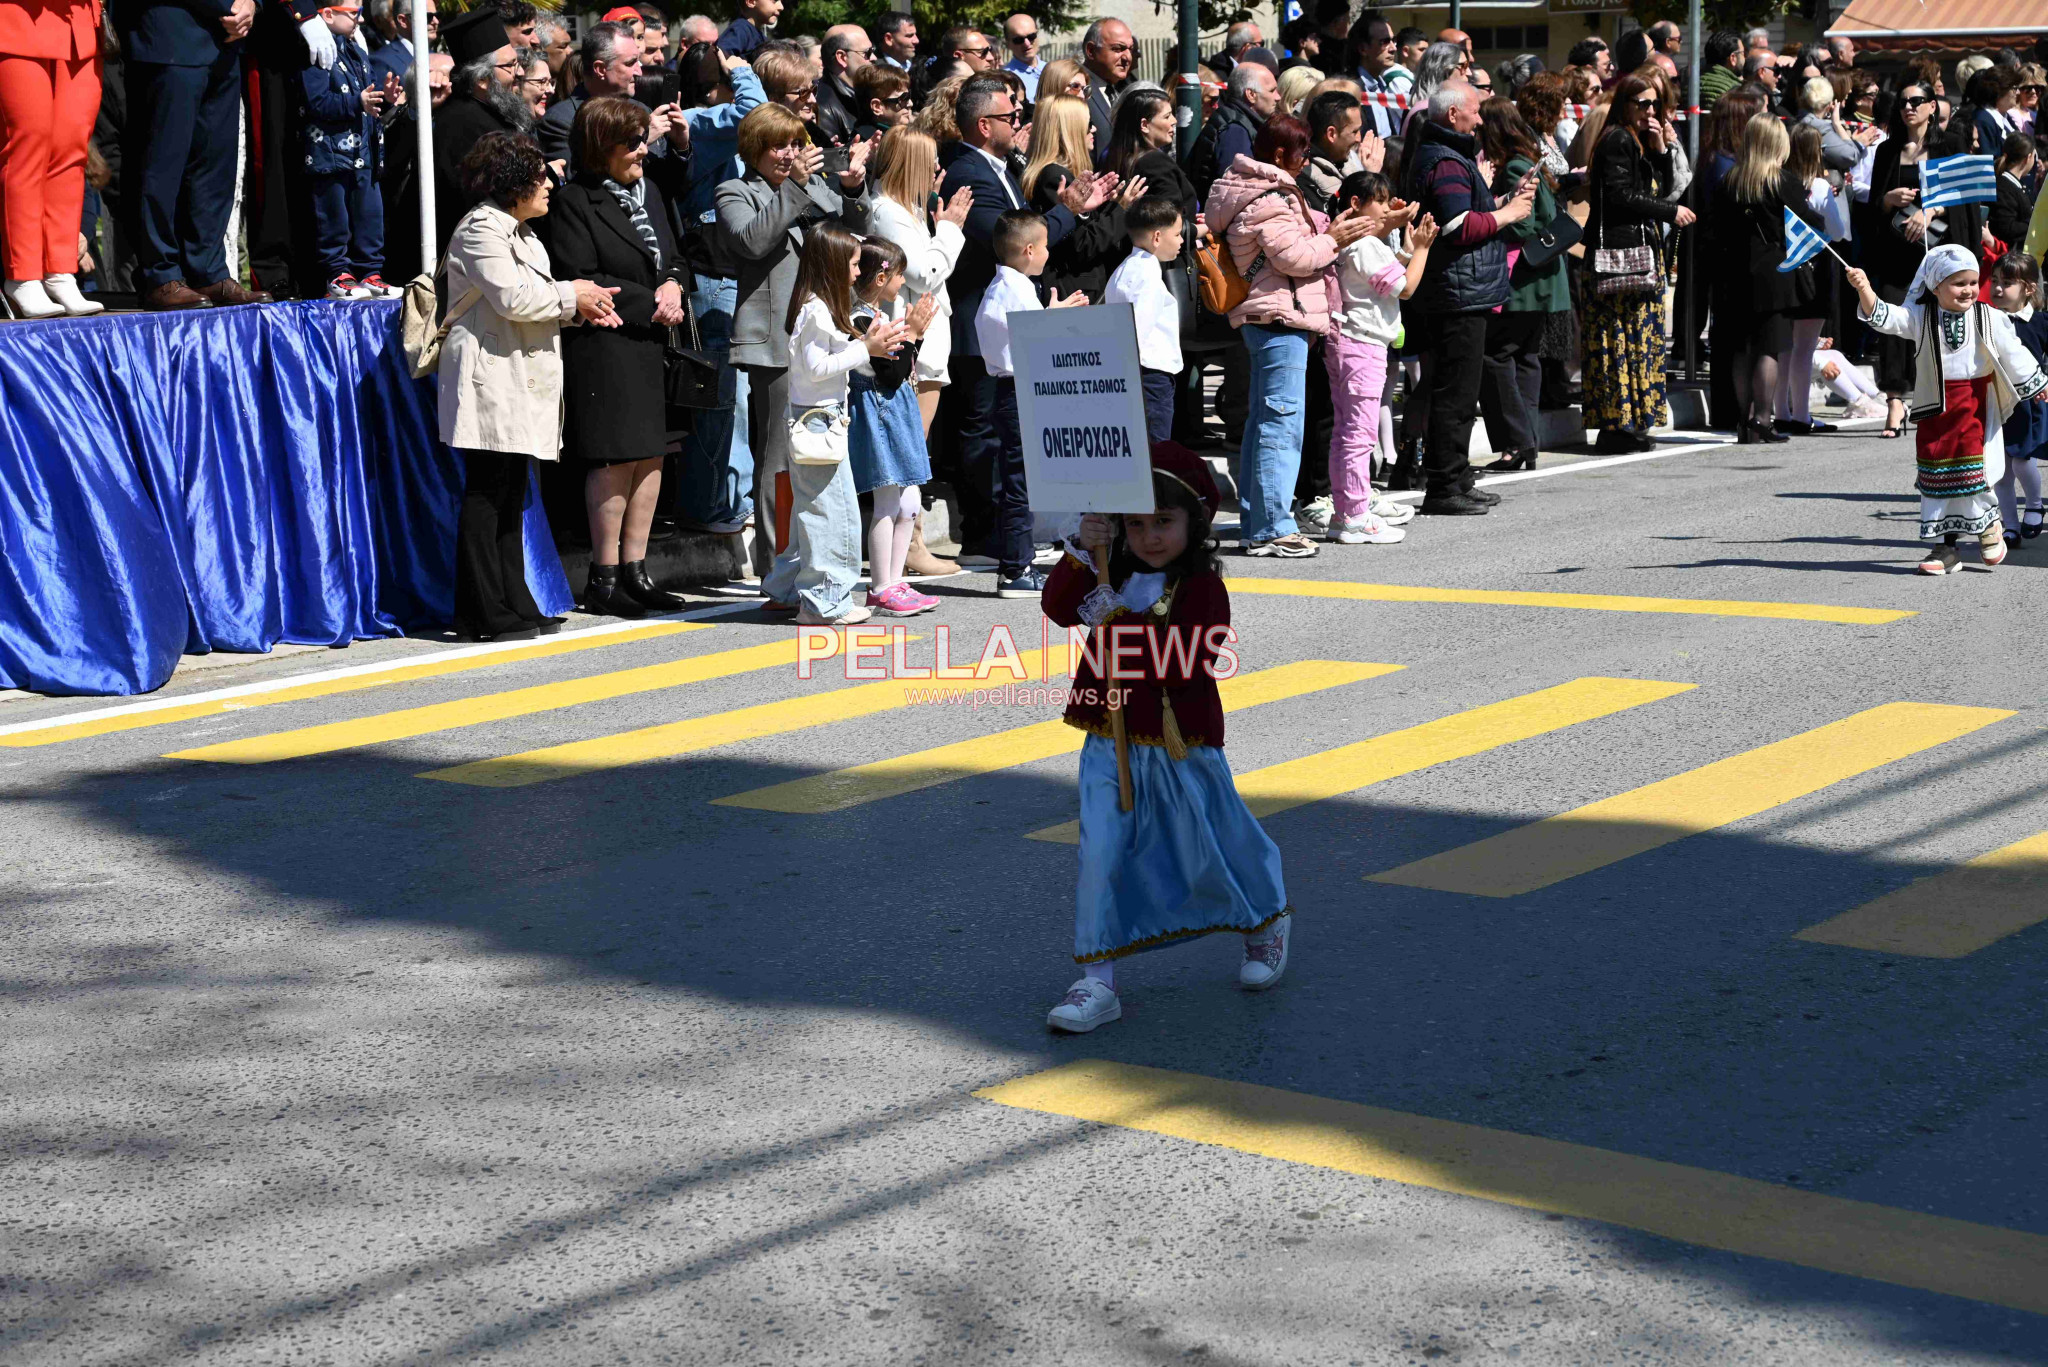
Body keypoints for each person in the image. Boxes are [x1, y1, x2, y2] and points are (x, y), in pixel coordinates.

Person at [1039, 444, 1295, 1033]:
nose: (1150, 535)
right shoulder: (1112, 572)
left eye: (1164, 521)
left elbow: (1185, 665)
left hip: (1181, 743)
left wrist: (1116, 624)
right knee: (1100, 852)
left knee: (1214, 841)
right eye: (1136, 523)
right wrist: (1083, 547)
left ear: (1193, 523)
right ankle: (1096, 981)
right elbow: (1058, 607)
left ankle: (1265, 923)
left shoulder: (1203, 588)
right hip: (1110, 739)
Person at [439, 132, 620, 640]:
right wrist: (572, 295)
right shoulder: (480, 229)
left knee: (510, 490)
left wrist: (582, 307)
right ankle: (482, 610)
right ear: (513, 181)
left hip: (515, 372)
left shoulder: (520, 232)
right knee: (486, 492)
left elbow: (538, 301)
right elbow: (515, 298)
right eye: (540, 176)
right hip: (488, 374)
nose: (550, 185)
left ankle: (512, 599)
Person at [941, 73, 1102, 594]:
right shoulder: (968, 171)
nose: (1019, 123)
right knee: (992, 448)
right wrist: (1067, 213)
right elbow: (1005, 238)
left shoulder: (1000, 166)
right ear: (984, 124)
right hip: (984, 336)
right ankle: (996, 545)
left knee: (1011, 460)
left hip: (1008, 342)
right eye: (1010, 116)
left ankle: (1008, 547)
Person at [547, 95, 696, 619]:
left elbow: (673, 256)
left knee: (651, 454)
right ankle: (604, 575)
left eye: (642, 140)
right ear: (599, 147)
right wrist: (651, 303)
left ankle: (637, 569)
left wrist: (674, 287)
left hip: (652, 342)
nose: (641, 150)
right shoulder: (573, 202)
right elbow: (580, 272)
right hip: (606, 344)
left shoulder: (650, 189)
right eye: (630, 143)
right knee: (614, 457)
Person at [1206, 114, 1375, 554]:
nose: (1306, 160)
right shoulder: (1268, 198)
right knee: (1279, 427)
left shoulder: (1248, 188)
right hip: (1279, 319)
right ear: (1280, 154)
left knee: (1264, 425)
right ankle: (1271, 529)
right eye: (1302, 152)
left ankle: (1258, 523)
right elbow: (1297, 258)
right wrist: (1335, 238)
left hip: (1267, 318)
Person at [716, 103, 871, 578]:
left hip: (823, 334)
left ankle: (813, 560)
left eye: (795, 144)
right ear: (756, 149)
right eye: (779, 145)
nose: (790, 154)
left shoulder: (810, 185)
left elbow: (851, 233)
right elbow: (753, 242)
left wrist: (852, 189)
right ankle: (775, 569)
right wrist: (795, 188)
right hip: (774, 343)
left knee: (821, 450)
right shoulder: (734, 191)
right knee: (780, 456)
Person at [1848, 246, 2048, 573]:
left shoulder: (1989, 317)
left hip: (1975, 408)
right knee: (1938, 478)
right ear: (1936, 286)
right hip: (1935, 410)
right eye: (1958, 283)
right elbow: (1886, 318)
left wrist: (2037, 385)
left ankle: (1987, 528)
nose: (1968, 290)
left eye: (1972, 282)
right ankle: (1946, 550)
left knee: (1973, 474)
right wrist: (1864, 289)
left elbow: (2015, 353)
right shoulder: (1921, 317)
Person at [1399, 81, 1538, 507]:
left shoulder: (1448, 155)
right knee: (1454, 393)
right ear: (1453, 114)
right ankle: (1444, 484)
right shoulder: (1445, 161)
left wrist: (1502, 201)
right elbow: (1457, 226)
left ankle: (1456, 479)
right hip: (1455, 293)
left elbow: (1466, 212)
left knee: (1459, 391)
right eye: (1474, 111)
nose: (1480, 119)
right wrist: (1509, 213)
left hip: (1462, 290)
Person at [763, 223, 905, 625]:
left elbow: (834, 360)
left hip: (823, 422)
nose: (858, 272)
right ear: (832, 264)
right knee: (833, 516)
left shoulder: (821, 306)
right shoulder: (815, 309)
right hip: (817, 424)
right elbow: (817, 367)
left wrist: (873, 344)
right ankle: (824, 604)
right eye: (854, 263)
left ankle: (785, 590)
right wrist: (865, 346)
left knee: (814, 513)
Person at [115, 0, 275, 310]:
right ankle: (161, 274)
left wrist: (251, 3)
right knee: (163, 164)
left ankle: (208, 270)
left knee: (216, 165)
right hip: (171, 29)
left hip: (224, 42)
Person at [866, 126, 968, 575]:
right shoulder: (887, 212)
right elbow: (924, 274)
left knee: (916, 446)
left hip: (925, 341)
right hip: (910, 344)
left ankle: (912, 541)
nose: (936, 170)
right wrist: (948, 231)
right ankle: (910, 547)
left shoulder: (906, 209)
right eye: (928, 162)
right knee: (911, 448)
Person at [672, 41, 762, 538]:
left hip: (729, 270)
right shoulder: (700, 120)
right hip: (711, 275)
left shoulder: (707, 123)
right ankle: (712, 505)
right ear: (716, 91)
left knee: (737, 397)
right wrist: (744, 71)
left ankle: (733, 499)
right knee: (719, 396)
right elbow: (754, 112)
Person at [973, 209, 1087, 597]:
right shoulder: (1013, 288)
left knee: (1022, 479)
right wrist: (1056, 320)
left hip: (1017, 390)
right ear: (1027, 250)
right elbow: (1031, 339)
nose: (1048, 254)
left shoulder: (1010, 286)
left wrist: (1051, 314)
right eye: (1044, 247)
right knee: (1019, 481)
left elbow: (1023, 328)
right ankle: (1015, 569)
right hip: (1017, 390)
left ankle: (1018, 562)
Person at [1584, 74, 1690, 453]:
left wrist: (1661, 149)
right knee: (1617, 342)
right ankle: (1615, 426)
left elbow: (1654, 186)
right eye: (1640, 104)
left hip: (1638, 255)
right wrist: (1670, 211)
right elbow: (1619, 196)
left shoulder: (1637, 141)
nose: (1649, 111)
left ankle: (1630, 423)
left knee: (1637, 342)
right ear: (1624, 104)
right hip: (1619, 257)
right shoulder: (1617, 138)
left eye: (1654, 105)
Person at [1326, 170, 1430, 543]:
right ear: (1356, 204)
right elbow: (1404, 287)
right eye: (1381, 201)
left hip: (1349, 342)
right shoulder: (1364, 245)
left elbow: (1386, 278)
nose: (1388, 208)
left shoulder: (1358, 242)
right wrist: (1422, 249)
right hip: (1363, 345)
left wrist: (1404, 243)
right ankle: (1354, 515)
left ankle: (1346, 511)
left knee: (1347, 433)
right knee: (1359, 435)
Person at [846, 237, 942, 616]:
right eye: (899, 274)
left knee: (910, 499)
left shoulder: (878, 316)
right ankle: (881, 586)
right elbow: (890, 374)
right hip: (878, 411)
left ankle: (895, 581)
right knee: (886, 500)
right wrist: (914, 333)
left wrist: (911, 335)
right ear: (882, 276)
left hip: (895, 410)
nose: (903, 282)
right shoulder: (860, 319)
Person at [1476, 97, 1567, 474]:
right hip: (1542, 281)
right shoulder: (1529, 161)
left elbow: (1524, 224)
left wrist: (1491, 208)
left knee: (1496, 357)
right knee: (1525, 360)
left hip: (1524, 281)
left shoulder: (1515, 167)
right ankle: (1526, 443)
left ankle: (1516, 442)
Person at [293, 2, 399, 302]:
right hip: (329, 157)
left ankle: (370, 272)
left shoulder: (357, 51)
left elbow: (368, 103)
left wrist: (386, 100)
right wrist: (357, 102)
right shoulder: (317, 51)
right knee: (333, 217)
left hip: (363, 156)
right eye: (354, 12)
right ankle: (337, 274)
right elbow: (315, 102)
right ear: (328, 14)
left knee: (370, 215)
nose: (361, 18)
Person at [1022, 92, 1141, 301]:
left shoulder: (1061, 173)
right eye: (1088, 124)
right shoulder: (1055, 177)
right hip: (1074, 293)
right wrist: (1121, 209)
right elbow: (1082, 246)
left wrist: (1109, 206)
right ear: (1072, 131)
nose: (1094, 129)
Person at [433, 8, 530, 250]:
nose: (520, 73)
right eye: (510, 66)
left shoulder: (492, 111)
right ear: (482, 79)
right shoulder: (461, 125)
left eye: (518, 63)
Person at [1775, 122, 1849, 435]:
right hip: (1815, 268)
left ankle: (1780, 411)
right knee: (1805, 349)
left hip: (1785, 266)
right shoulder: (1818, 187)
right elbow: (1837, 232)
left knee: (1784, 347)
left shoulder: (1780, 182)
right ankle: (1802, 415)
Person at [1105, 196, 1185, 443]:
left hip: (1136, 375)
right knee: (1155, 451)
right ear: (1157, 237)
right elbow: (1136, 331)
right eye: (1178, 234)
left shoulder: (1124, 269)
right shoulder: (1147, 276)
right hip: (1150, 378)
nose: (1182, 240)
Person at [1988, 250, 2047, 548]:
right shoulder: (1984, 320)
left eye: (2007, 282)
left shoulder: (2039, 322)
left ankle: (2035, 504)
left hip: (2028, 403)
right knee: (2001, 470)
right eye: (1994, 280)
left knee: (2023, 462)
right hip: (1995, 402)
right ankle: (2009, 525)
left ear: (2028, 288)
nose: (1997, 288)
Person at [1188, 61, 1277, 201]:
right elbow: (1234, 192)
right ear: (1251, 94)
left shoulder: (1240, 123)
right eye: (1272, 91)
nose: (1278, 97)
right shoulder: (1235, 131)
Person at [1079, 17, 1135, 151]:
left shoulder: (1122, 89)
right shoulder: (1076, 90)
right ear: (1091, 51)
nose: (1127, 57)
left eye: (1130, 49)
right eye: (1117, 49)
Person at [814, 23, 868, 146]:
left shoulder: (866, 94)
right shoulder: (821, 105)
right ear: (842, 57)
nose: (874, 58)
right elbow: (828, 159)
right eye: (867, 53)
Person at [1991, 134, 2038, 249]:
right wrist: (2035, 225)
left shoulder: (2015, 185)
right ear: (2028, 157)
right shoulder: (2004, 187)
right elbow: (2006, 228)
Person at [850, 60, 908, 139]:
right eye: (903, 98)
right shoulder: (870, 146)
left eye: (909, 96)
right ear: (877, 107)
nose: (910, 103)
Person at [1002, 12, 1042, 101]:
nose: (1027, 44)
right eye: (1018, 40)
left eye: (1031, 36)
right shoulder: (1005, 78)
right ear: (1008, 43)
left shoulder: (1053, 69)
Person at [1700, 31, 1744, 108]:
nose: (1745, 58)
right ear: (1733, 58)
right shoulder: (1735, 91)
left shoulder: (1690, 85)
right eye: (1743, 53)